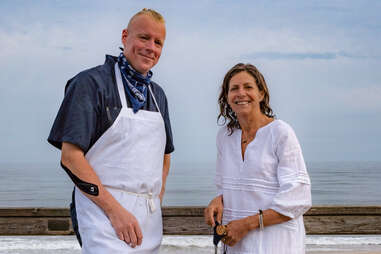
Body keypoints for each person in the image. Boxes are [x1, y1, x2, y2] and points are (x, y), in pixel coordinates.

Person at [47, 8, 174, 253]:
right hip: (103, 214)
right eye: (143, 37)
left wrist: (156, 199)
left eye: (158, 42)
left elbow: (165, 155)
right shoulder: (90, 83)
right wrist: (116, 212)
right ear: (125, 36)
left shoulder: (158, 95)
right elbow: (70, 157)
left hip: (149, 218)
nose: (151, 47)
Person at [204, 63, 311, 254]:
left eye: (248, 87)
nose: (240, 93)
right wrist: (218, 200)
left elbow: (298, 197)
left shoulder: (280, 133)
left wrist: (246, 225)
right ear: (227, 98)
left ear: (261, 94)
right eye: (234, 88)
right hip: (237, 245)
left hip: (277, 245)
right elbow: (225, 185)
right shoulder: (225, 137)